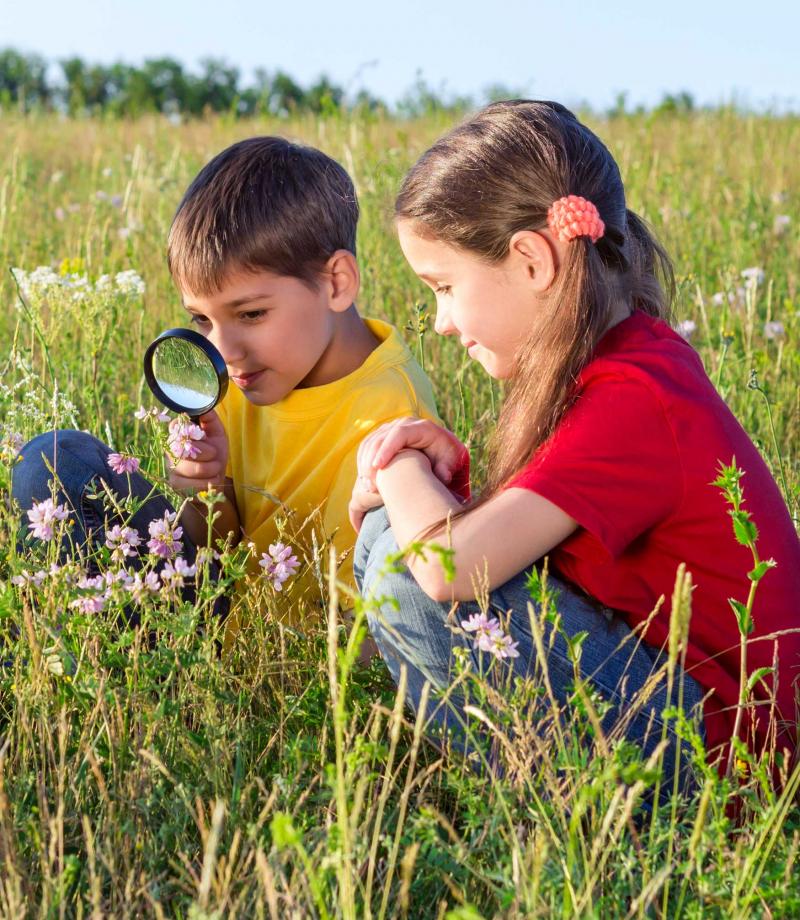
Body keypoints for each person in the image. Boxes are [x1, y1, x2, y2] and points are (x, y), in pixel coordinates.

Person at [350, 100, 800, 787]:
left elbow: (448, 568)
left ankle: (592, 821)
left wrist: (396, 460)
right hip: (682, 706)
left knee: (401, 573)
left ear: (532, 260)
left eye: (443, 287)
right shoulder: (619, 365)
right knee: (389, 536)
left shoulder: (636, 397)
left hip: (729, 764)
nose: (440, 322)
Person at [13, 137, 439, 630]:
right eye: (201, 320)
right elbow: (216, 553)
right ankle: (92, 655)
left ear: (337, 283)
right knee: (52, 461)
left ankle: (144, 674)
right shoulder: (243, 373)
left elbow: (357, 622)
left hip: (296, 650)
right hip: (214, 608)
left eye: (251, 314)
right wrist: (208, 489)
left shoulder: (389, 415)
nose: (225, 350)